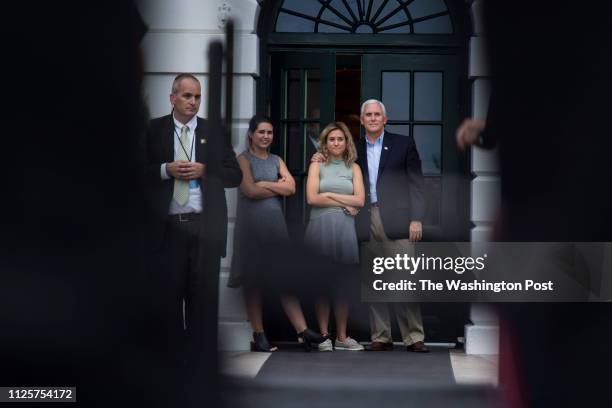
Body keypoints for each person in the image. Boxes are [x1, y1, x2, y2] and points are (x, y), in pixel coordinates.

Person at [142, 73, 242, 381]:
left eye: (197, 96)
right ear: (173, 98)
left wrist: (206, 169)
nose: (194, 102)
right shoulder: (154, 129)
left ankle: (200, 368)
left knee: (202, 302)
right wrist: (165, 169)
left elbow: (234, 175)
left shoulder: (214, 130)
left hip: (204, 230)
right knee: (169, 299)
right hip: (167, 230)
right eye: (187, 96)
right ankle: (172, 364)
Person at [229, 116, 327, 352]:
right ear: (251, 134)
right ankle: (259, 335)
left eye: (270, 133)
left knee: (283, 278)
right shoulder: (242, 159)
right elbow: (250, 191)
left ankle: (303, 331)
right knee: (254, 282)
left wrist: (265, 184)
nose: (266, 136)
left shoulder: (276, 159)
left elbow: (291, 187)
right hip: (251, 229)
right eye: (261, 132)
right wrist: (274, 185)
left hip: (276, 229)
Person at [356, 99, 429, 353]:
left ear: (385, 119)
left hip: (399, 220)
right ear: (362, 119)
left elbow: (417, 184)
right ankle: (381, 336)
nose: (373, 118)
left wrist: (416, 218)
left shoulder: (403, 144)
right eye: (369, 115)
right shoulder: (352, 148)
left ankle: (414, 337)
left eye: (378, 114)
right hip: (365, 218)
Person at [305, 121, 365, 351]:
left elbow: (360, 200)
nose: (336, 143)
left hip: (345, 229)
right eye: (332, 139)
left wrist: (328, 193)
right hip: (320, 226)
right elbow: (312, 198)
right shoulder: (317, 165)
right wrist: (342, 199)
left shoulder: (354, 168)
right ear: (325, 143)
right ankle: (323, 336)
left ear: (346, 142)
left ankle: (341, 337)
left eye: (340, 139)